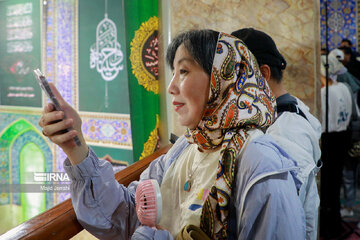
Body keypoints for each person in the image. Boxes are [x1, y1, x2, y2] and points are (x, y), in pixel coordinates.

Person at [38, 29, 305, 239]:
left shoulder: (260, 165)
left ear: (222, 79)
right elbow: (127, 217)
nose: (172, 87)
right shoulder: (186, 149)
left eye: (184, 71)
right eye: (173, 72)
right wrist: (75, 145)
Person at [231, 28, 322, 240]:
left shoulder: (285, 131)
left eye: (232, 76)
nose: (225, 89)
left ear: (263, 74)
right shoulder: (283, 113)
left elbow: (282, 224)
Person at [320, 54, 353, 239]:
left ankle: (328, 227)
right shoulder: (345, 88)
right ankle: (335, 223)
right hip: (342, 138)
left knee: (326, 188)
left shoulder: (325, 93)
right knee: (335, 184)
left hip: (328, 141)